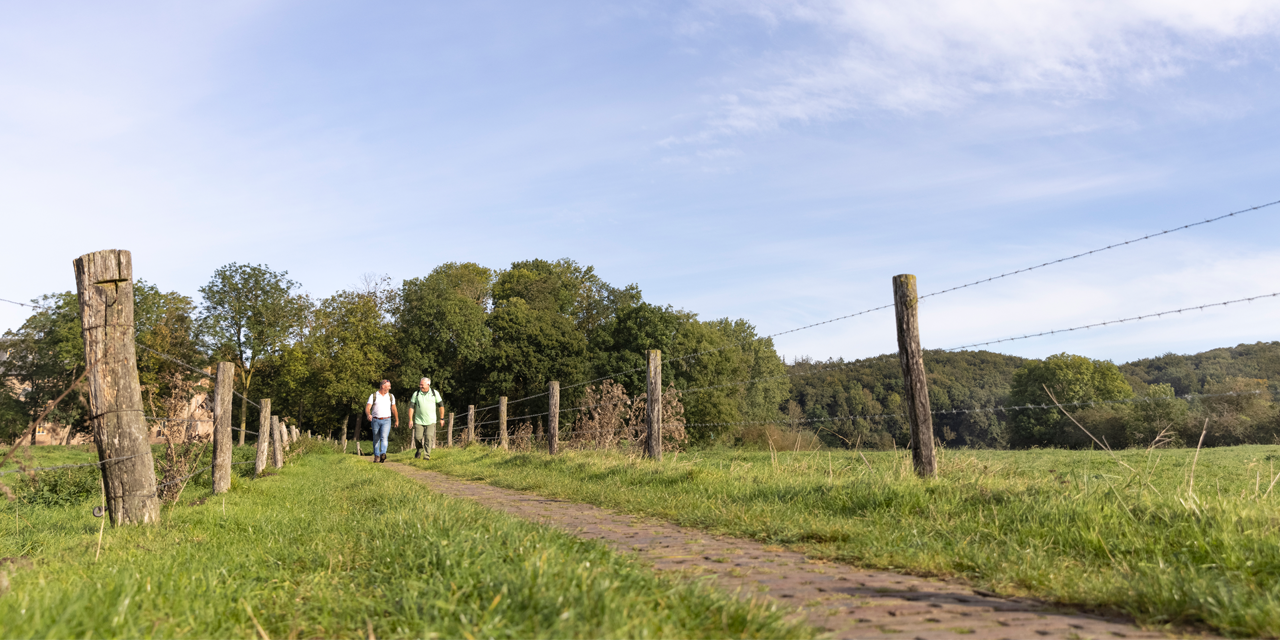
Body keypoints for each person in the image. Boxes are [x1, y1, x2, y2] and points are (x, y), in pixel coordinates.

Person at [407, 377, 444, 460]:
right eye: (420, 384)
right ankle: (419, 450)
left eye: (422, 384)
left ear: (428, 384)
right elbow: (411, 407)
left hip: (431, 421)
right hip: (418, 420)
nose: (420, 386)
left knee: (428, 437)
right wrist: (410, 420)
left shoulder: (435, 393)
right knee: (417, 438)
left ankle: (426, 456)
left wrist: (442, 418)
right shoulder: (416, 394)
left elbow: (441, 405)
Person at [365, 380, 398, 463]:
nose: (390, 387)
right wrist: (368, 414)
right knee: (376, 439)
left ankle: (383, 453)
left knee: (384, 437)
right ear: (383, 386)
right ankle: (376, 455)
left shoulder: (391, 396)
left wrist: (397, 420)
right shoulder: (373, 396)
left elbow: (394, 409)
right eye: (388, 386)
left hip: (387, 420)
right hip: (375, 420)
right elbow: (368, 407)